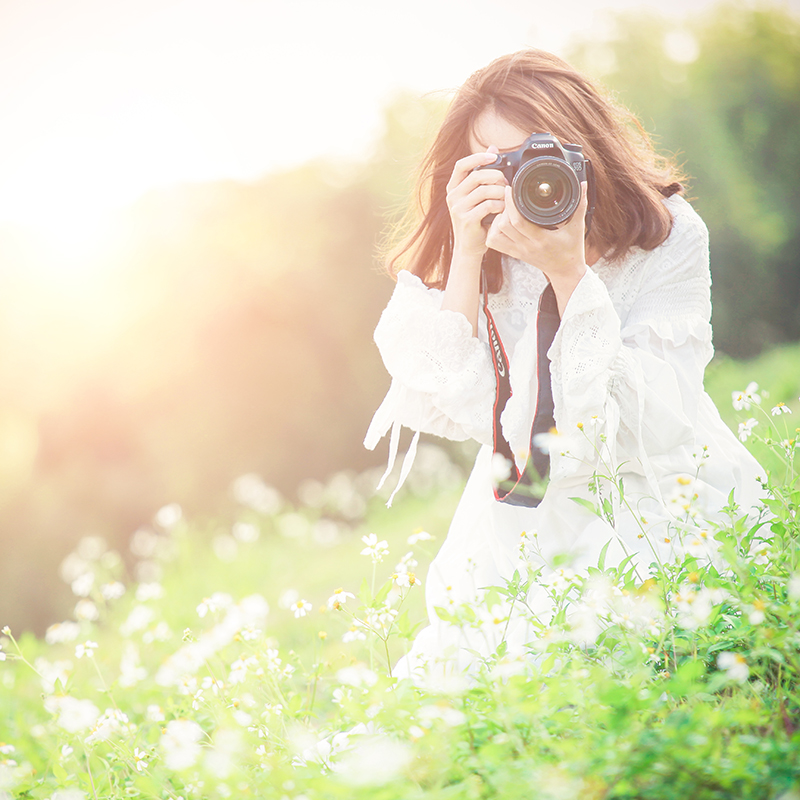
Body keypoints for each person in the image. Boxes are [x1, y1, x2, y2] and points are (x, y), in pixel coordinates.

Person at [363, 50, 765, 683]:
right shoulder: (487, 242)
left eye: (537, 153)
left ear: (585, 145)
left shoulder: (669, 232)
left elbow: (654, 419)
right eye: (497, 161)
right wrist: (465, 251)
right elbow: (452, 402)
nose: (528, 179)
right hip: (526, 496)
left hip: (652, 480)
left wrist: (568, 270)